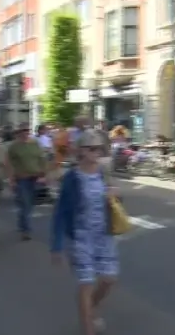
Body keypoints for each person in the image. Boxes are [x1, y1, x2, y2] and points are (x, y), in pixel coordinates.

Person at [50, 129, 119, 335]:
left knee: (108, 280)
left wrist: (114, 196)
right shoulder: (72, 177)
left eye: (98, 148)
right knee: (86, 284)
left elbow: (114, 202)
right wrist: (56, 246)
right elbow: (61, 212)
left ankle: (92, 307)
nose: (96, 152)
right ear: (81, 151)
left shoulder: (103, 172)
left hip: (104, 236)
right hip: (81, 237)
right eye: (91, 148)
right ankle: (88, 329)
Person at [5, 122, 47, 240]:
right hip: (22, 178)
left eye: (26, 130)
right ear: (18, 133)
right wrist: (11, 179)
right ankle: (26, 230)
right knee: (25, 203)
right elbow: (9, 163)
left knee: (30, 203)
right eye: (22, 131)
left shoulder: (35, 144)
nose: (25, 133)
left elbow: (41, 159)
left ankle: (22, 222)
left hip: (35, 177)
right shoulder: (14, 146)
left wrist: (44, 174)